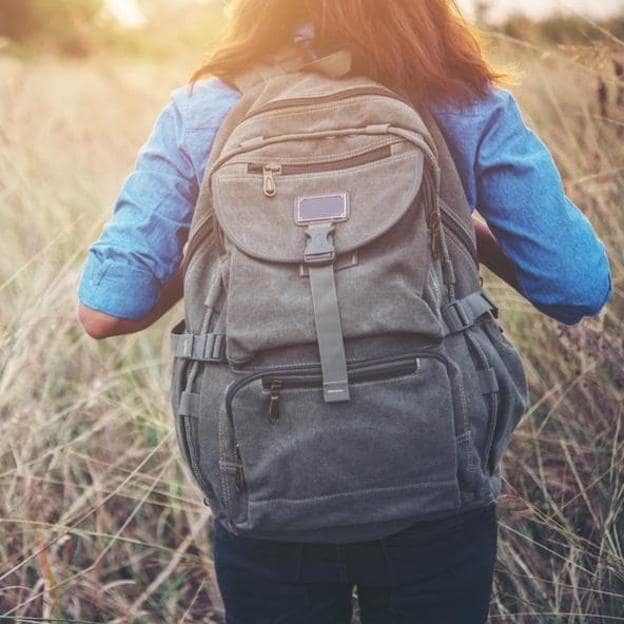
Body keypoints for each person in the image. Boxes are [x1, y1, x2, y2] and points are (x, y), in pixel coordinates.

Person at [77, 1, 612, 622]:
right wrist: (456, 221)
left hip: (266, 478)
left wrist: (218, 231)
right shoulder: (464, 99)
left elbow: (105, 310)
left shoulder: (202, 108)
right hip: (435, 469)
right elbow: (577, 286)